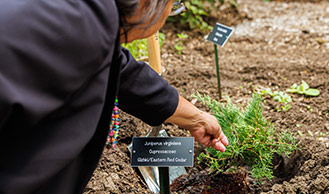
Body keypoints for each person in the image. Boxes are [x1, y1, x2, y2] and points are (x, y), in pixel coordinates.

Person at [0, 0, 229, 193]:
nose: (170, 13)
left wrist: (196, 118)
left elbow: (125, 73)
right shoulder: (75, 24)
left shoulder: (87, 17)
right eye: (173, 5)